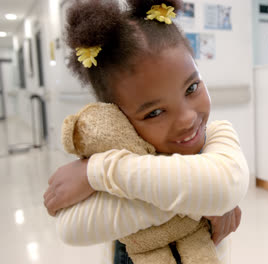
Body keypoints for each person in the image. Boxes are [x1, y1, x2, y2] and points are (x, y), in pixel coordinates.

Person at [42, 0, 249, 263]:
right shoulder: (120, 153)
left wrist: (96, 172)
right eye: (154, 113)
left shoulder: (219, 136)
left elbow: (224, 184)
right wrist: (200, 203)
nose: (186, 119)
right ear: (117, 117)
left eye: (192, 88)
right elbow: (70, 228)